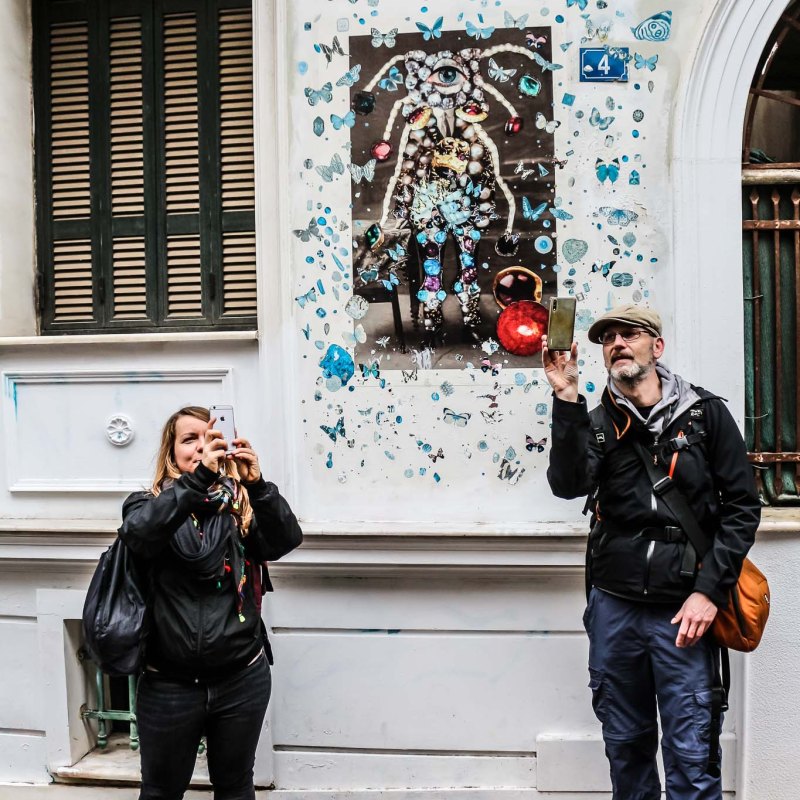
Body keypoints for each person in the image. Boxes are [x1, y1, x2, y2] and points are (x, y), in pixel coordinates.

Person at [541, 305, 760, 800]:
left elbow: (743, 508)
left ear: (655, 348)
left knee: (691, 752)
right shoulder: (596, 423)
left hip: (684, 611)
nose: (618, 343)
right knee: (626, 746)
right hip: (615, 609)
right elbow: (568, 484)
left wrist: (709, 592)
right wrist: (566, 398)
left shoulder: (706, 417)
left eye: (630, 334)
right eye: (608, 338)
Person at [118, 406, 302, 800]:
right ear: (172, 454)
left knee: (235, 787)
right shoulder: (145, 505)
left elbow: (286, 539)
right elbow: (140, 534)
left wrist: (258, 486)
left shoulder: (240, 507)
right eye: (190, 440)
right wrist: (200, 478)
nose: (202, 446)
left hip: (241, 678)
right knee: (160, 791)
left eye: (211, 436)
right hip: (170, 684)